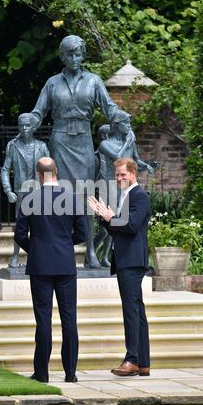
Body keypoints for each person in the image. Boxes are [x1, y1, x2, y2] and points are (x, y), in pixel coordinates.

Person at [30, 35, 135, 268]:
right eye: (70, 54)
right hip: (60, 140)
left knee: (87, 196)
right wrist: (28, 124)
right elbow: (39, 112)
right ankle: (61, 248)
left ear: (83, 55)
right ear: (62, 56)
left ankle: (90, 252)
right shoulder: (52, 83)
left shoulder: (94, 81)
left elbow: (109, 108)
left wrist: (123, 118)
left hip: (84, 142)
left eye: (78, 54)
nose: (74, 58)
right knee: (59, 196)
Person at [14, 157, 87, 383]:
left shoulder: (29, 199)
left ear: (38, 174)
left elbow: (19, 236)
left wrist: (36, 249)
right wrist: (65, 244)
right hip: (65, 264)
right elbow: (83, 234)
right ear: (57, 171)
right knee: (69, 318)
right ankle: (70, 372)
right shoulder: (72, 199)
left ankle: (42, 373)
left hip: (40, 265)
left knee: (43, 319)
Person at [88, 158, 151, 376]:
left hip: (132, 261)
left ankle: (132, 360)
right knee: (137, 311)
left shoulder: (139, 196)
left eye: (123, 175)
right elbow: (119, 230)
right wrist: (105, 218)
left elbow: (132, 226)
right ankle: (143, 363)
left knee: (131, 311)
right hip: (127, 259)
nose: (119, 178)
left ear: (133, 174)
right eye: (117, 175)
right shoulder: (127, 196)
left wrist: (110, 216)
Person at [95, 113, 154, 266]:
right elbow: (117, 158)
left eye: (129, 123)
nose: (129, 126)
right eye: (126, 123)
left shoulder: (130, 143)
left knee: (119, 220)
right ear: (117, 125)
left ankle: (105, 256)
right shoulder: (105, 144)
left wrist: (145, 165)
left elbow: (135, 160)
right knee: (109, 220)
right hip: (110, 184)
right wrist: (127, 142)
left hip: (125, 188)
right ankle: (97, 253)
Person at [1, 113, 49, 267]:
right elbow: (4, 170)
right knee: (21, 226)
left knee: (40, 225)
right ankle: (15, 255)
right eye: (21, 125)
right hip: (21, 192)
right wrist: (8, 191)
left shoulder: (42, 146)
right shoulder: (13, 146)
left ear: (33, 127)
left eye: (27, 125)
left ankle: (39, 255)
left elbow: (50, 170)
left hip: (40, 192)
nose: (24, 128)